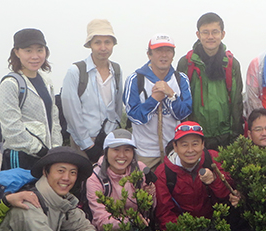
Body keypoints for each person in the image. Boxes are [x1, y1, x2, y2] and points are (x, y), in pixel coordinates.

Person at [154, 121, 235, 231]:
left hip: (208, 221)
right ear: (175, 147)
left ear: (203, 145)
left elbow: (227, 195)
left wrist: (214, 180)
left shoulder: (213, 159)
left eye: (195, 143)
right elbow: (164, 213)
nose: (190, 150)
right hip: (180, 225)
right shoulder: (163, 173)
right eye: (184, 144)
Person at [123, 34, 193, 168]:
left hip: (174, 151)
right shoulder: (135, 79)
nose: (164, 55)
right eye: (158, 51)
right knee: (145, 188)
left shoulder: (180, 79)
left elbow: (184, 113)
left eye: (168, 51)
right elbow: (134, 116)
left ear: (173, 55)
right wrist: (154, 100)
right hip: (145, 152)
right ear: (149, 55)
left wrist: (171, 95)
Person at [0, 28, 62, 170]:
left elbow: (54, 118)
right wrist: (40, 150)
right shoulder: (10, 84)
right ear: (17, 52)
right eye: (28, 51)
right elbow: (11, 129)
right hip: (21, 158)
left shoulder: (46, 81)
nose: (35, 56)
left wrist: (55, 149)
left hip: (47, 156)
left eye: (39, 50)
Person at [176, 12, 243, 150]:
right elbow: (181, 102)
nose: (210, 37)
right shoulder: (186, 63)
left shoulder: (231, 64)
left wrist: (236, 136)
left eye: (215, 32)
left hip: (225, 136)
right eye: (205, 32)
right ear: (198, 34)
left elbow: (237, 103)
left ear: (222, 34)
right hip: (194, 136)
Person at [61, 19, 123, 163]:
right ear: (90, 45)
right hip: (83, 141)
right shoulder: (76, 71)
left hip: (110, 141)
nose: (103, 47)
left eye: (107, 42)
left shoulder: (117, 70)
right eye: (97, 42)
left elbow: (117, 107)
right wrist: (88, 145)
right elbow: (71, 113)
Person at [86, 129, 156, 231]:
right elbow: (100, 220)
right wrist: (131, 223)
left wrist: (151, 195)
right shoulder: (95, 178)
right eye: (116, 149)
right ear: (106, 152)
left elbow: (150, 208)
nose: (122, 155)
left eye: (127, 150)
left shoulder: (140, 169)